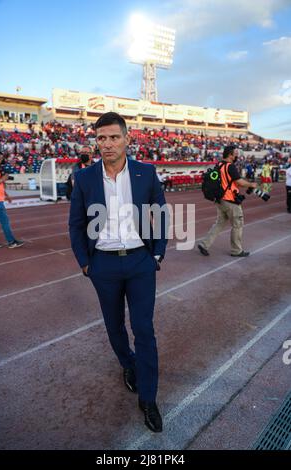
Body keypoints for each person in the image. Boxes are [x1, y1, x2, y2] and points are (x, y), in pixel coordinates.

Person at [69, 112, 168, 433]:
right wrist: (86, 262)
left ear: (127, 139)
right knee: (114, 326)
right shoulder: (84, 178)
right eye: (101, 138)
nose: (107, 144)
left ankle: (149, 398)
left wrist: (157, 253)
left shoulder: (146, 173)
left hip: (140, 262)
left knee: (144, 329)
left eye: (114, 137)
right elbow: (77, 224)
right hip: (103, 264)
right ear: (95, 141)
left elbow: (161, 214)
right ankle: (128, 364)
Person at [198, 146, 257, 258]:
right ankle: (236, 250)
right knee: (237, 225)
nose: (237, 156)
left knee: (219, 224)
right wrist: (251, 184)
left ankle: (204, 244)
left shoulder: (219, 165)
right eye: (235, 153)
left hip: (220, 199)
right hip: (230, 200)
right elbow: (239, 182)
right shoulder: (231, 167)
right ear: (230, 155)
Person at [0, 150, 24, 249]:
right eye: (1, 157)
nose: (2, 159)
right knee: (5, 221)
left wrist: (6, 195)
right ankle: (11, 242)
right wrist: (3, 179)